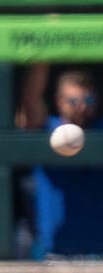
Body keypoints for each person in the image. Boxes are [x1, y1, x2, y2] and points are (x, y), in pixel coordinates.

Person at [16, 64, 103, 259]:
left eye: (88, 100)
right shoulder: (48, 127)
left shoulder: (100, 128)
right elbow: (31, 100)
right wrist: (43, 51)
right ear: (59, 101)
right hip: (53, 251)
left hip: (99, 250)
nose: (81, 106)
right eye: (73, 100)